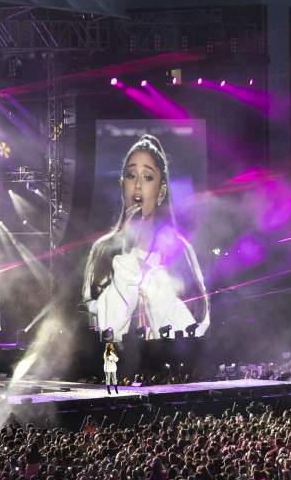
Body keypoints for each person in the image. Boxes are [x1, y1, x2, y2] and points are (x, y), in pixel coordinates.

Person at [82, 134, 209, 339]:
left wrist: (155, 285)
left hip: (171, 367)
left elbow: (196, 326)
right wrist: (128, 256)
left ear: (161, 192)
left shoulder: (180, 250)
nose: (138, 185)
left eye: (148, 177)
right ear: (122, 185)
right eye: (131, 176)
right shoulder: (104, 251)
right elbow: (107, 327)